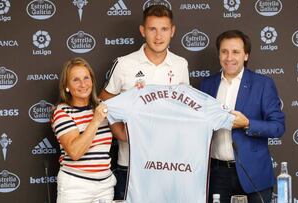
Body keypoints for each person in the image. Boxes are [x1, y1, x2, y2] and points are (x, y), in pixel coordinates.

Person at [99, 5, 189, 200]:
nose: (158, 36)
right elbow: (104, 100)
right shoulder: (124, 63)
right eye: (152, 29)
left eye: (164, 29)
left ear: (172, 31)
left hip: (169, 164)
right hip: (132, 164)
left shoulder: (181, 64)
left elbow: (185, 108)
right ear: (142, 31)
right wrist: (118, 130)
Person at [200, 30, 285, 203]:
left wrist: (247, 123)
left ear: (246, 55)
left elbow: (278, 127)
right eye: (224, 51)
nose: (229, 57)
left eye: (236, 52)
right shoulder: (207, 84)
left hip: (253, 174)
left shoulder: (263, 84)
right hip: (217, 175)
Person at [51, 57, 125, 203]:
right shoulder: (62, 112)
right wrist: (96, 120)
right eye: (76, 80)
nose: (83, 84)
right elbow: (75, 152)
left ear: (92, 81)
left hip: (105, 186)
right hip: (76, 188)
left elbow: (122, 134)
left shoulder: (102, 107)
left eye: (86, 78)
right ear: (67, 86)